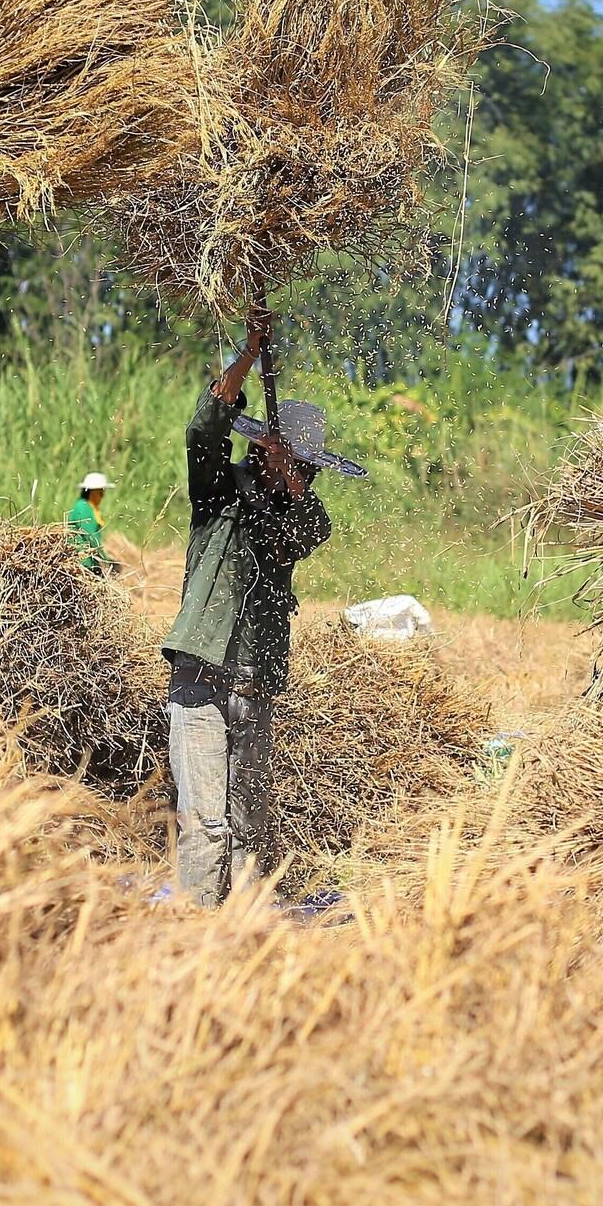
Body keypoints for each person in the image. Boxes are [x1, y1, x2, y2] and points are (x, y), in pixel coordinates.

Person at [160, 308, 362, 906]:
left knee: (250, 829)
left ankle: (248, 939)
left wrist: (292, 483)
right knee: (207, 825)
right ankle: (194, 939)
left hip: (253, 686)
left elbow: (312, 527)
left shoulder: (294, 519)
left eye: (302, 469)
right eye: (286, 461)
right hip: (198, 681)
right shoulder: (218, 490)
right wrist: (249, 353)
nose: (291, 472)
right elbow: (203, 429)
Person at [66, 472, 119, 575]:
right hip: (82, 562)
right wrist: (106, 560)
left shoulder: (90, 507)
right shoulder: (83, 507)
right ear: (91, 492)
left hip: (89, 560)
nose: (103, 496)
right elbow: (91, 537)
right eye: (100, 492)